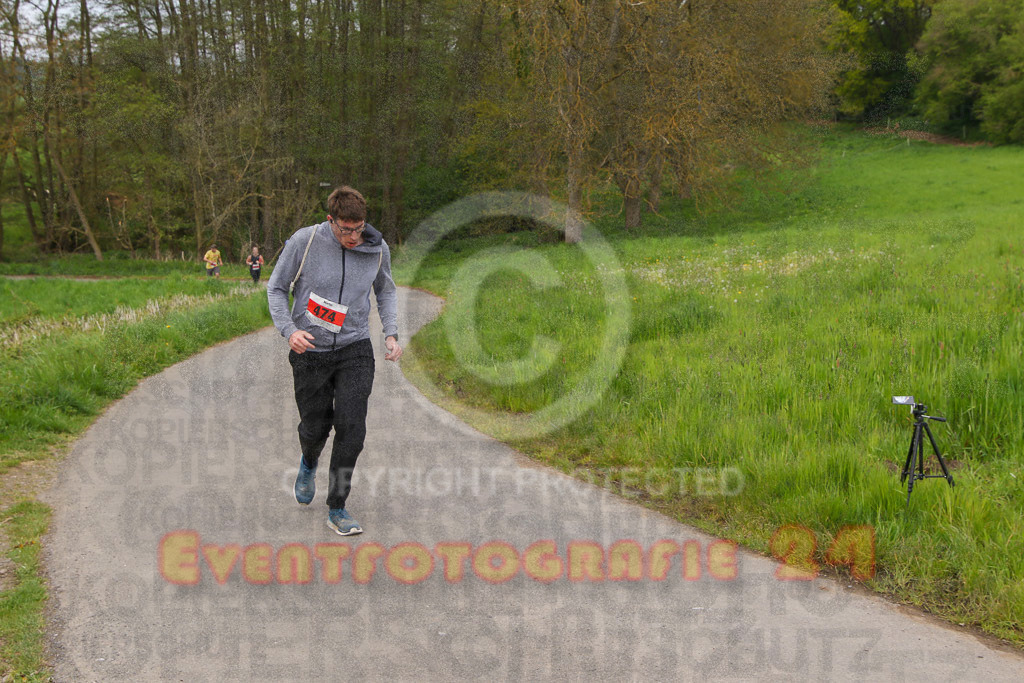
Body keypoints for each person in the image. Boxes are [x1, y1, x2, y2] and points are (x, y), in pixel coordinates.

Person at [266, 186, 402, 536]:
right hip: (310, 351)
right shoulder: (306, 241)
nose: (353, 237)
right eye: (345, 229)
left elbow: (386, 290)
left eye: (358, 228)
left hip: (355, 348)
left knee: (352, 428)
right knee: (315, 428)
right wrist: (289, 330)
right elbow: (276, 288)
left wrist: (391, 332)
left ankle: (337, 507)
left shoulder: (377, 249)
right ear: (331, 221)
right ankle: (309, 460)